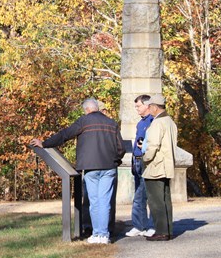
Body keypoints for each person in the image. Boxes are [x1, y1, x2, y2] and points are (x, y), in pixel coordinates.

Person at [32, 98, 125, 244]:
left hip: (91, 167)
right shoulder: (112, 123)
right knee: (105, 201)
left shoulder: (83, 121)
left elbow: (65, 135)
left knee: (94, 201)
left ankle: (97, 234)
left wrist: (44, 143)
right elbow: (121, 148)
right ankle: (104, 235)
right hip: (109, 167)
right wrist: (115, 160)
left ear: (87, 110)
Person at [142, 94, 177, 241]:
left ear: (155, 107)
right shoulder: (170, 121)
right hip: (166, 165)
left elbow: (153, 146)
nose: (148, 109)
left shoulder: (157, 123)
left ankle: (161, 231)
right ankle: (167, 229)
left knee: (155, 200)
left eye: (150, 106)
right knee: (165, 199)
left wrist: (144, 158)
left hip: (156, 166)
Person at [125, 94, 156, 237]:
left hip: (146, 161)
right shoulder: (141, 123)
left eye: (138, 106)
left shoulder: (153, 122)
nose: (137, 109)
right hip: (137, 160)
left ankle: (149, 226)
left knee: (144, 195)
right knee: (139, 194)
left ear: (147, 105)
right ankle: (140, 226)